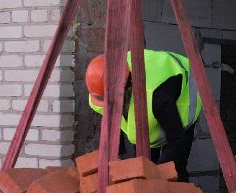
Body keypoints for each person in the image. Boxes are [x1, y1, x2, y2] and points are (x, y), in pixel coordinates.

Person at [85, 49, 201, 180]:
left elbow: (177, 140)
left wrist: (158, 176)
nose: (108, 106)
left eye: (113, 102)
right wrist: (116, 158)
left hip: (182, 90)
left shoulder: (157, 97)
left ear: (126, 89)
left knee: (173, 169)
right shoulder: (99, 93)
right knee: (143, 164)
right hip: (152, 93)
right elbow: (112, 122)